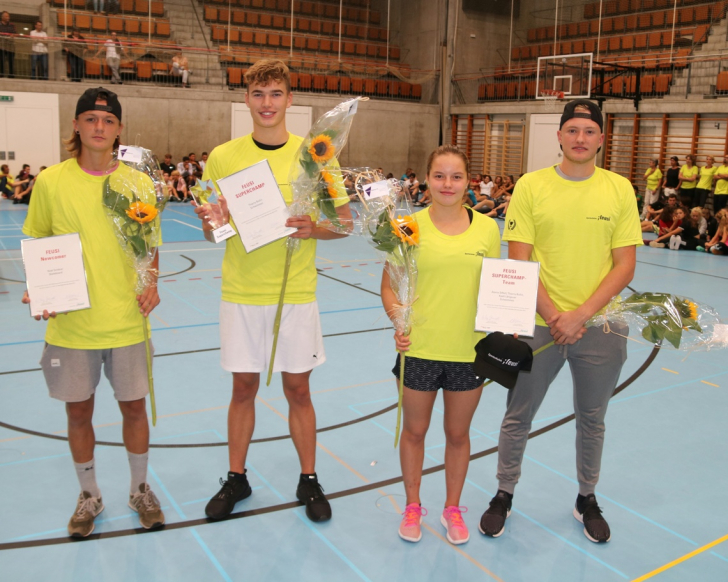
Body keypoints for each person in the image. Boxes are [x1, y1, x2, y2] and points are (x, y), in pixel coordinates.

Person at [194, 59, 352, 523]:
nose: (267, 103)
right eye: (258, 94)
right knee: (242, 387)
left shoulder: (317, 153)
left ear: (289, 100)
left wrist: (312, 228)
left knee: (298, 389)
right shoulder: (223, 156)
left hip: (295, 294)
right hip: (241, 292)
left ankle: (308, 479)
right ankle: (236, 477)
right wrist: (213, 223)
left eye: (276, 94)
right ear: (246, 99)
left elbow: (343, 225)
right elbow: (212, 236)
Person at [480, 100, 642, 543]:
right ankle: (504, 492)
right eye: (572, 129)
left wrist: (581, 315)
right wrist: (554, 316)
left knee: (593, 418)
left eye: (589, 131)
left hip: (601, 327)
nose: (580, 138)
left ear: (602, 139)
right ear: (558, 135)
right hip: (538, 324)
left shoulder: (619, 189)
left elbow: (625, 265)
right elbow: (520, 258)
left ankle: (586, 497)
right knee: (519, 415)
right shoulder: (532, 186)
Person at [20, 87, 165, 538]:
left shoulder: (139, 184)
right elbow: (39, 241)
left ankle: (140, 487)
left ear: (119, 128)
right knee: (78, 414)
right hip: (72, 326)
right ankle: (89, 494)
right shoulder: (51, 182)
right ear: (77, 126)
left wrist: (153, 282)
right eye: (89, 119)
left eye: (107, 120)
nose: (98, 127)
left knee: (134, 410)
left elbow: (152, 244)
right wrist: (39, 289)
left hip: (126, 322)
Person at [382, 145, 501, 545]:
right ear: (426, 180)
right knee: (414, 432)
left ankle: (453, 508)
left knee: (457, 435)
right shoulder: (407, 226)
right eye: (439, 176)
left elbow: (499, 289)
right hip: (419, 349)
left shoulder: (487, 229)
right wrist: (398, 319)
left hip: (469, 353)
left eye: (456, 177)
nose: (447, 184)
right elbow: (389, 286)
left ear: (469, 181)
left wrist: (508, 322)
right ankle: (412, 505)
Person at [0, 11, 15, 79]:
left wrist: (12, 35)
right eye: (6, 16)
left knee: (11, 61)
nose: (8, 17)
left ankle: (11, 75)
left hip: (10, 46)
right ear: (2, 17)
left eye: (8, 16)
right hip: (1, 46)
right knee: (1, 61)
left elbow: (14, 33)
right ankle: (1, 74)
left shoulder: (11, 25)